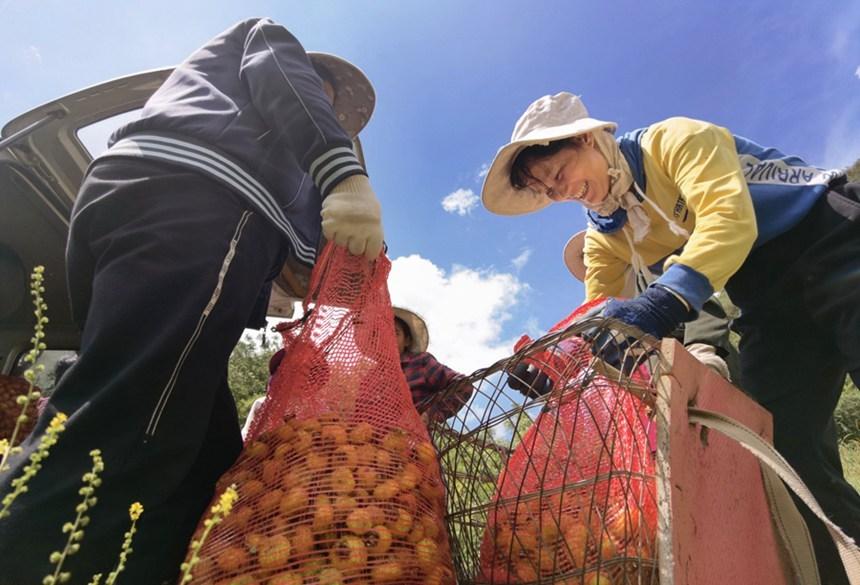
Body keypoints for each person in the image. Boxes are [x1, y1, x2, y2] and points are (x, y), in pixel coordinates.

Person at [0, 18, 383, 585]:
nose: (321, 107)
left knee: (203, 451)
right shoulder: (269, 45)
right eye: (320, 94)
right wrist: (343, 173)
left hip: (136, 206)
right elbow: (287, 83)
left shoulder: (273, 156)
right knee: (129, 427)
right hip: (192, 207)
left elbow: (300, 252)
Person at [481, 92, 860, 584]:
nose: (561, 193)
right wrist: (558, 362)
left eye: (559, 174)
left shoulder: (674, 139)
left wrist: (666, 301)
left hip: (831, 236)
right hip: (767, 301)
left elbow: (730, 220)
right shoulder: (604, 237)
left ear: (588, 137)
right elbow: (598, 315)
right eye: (548, 192)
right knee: (783, 449)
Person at [563, 229, 739, 382]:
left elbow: (701, 305)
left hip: (707, 372)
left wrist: (702, 351)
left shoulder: (655, 276)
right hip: (660, 392)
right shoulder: (602, 313)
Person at [394, 307, 472, 423]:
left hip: (415, 438)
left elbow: (464, 386)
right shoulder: (372, 375)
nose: (389, 338)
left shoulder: (420, 362)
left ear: (407, 341)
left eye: (395, 333)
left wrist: (429, 415)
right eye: (384, 333)